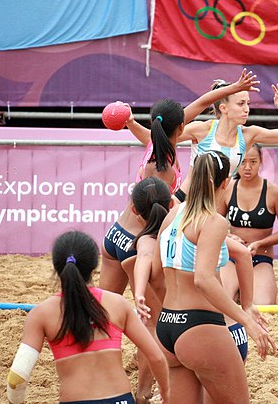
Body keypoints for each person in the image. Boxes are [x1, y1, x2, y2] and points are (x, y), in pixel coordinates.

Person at [99, 68, 259, 402]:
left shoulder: (163, 171)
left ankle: (117, 377)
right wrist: (246, 313)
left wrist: (128, 123)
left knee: (106, 314)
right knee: (144, 319)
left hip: (124, 238)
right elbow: (216, 269)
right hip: (189, 312)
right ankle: (141, 389)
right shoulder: (173, 186)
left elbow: (200, 103)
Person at [140, 151, 277, 403]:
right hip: (200, 326)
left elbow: (155, 273)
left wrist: (170, 310)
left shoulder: (173, 215)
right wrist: (245, 319)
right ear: (225, 183)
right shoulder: (214, 221)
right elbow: (203, 279)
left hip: (168, 327)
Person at [5, 230, 169, 404]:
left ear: (57, 266)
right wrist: (167, 393)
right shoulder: (118, 304)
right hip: (120, 400)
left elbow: (17, 377)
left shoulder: (41, 313)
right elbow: (156, 357)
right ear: (93, 266)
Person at [176, 79, 278, 203]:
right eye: (241, 104)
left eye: (248, 103)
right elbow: (165, 135)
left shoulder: (248, 135)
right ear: (224, 108)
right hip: (185, 201)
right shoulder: (202, 129)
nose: (247, 109)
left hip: (213, 208)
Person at [218, 144, 278, 306]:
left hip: (260, 256)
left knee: (264, 306)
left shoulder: (274, 192)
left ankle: (243, 288)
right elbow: (213, 223)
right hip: (232, 255)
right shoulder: (228, 188)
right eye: (243, 162)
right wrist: (229, 236)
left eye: (253, 162)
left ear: (261, 162)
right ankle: (237, 288)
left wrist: (259, 243)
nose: (247, 167)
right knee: (222, 301)